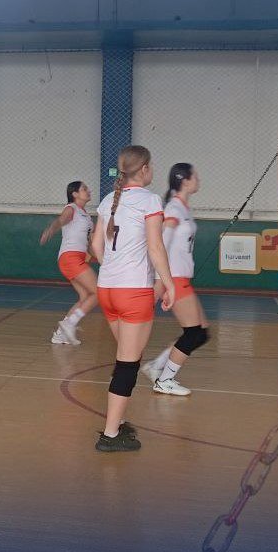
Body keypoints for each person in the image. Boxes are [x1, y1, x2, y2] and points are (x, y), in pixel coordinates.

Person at [91, 145, 174, 452]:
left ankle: (118, 421)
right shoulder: (150, 200)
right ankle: (110, 434)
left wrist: (113, 268)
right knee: (127, 363)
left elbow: (96, 246)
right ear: (145, 169)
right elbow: (155, 247)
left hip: (107, 289)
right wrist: (169, 284)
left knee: (130, 358)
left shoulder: (108, 201)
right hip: (133, 292)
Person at [140, 163, 209, 395]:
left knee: (201, 333)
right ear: (185, 181)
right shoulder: (173, 209)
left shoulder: (182, 208)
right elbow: (162, 242)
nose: (198, 179)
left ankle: (157, 366)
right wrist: (160, 283)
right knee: (193, 333)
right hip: (175, 279)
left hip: (182, 278)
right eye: (195, 176)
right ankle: (165, 380)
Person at [39, 181, 98, 345]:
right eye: (84, 189)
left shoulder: (88, 218)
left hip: (76, 258)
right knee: (99, 292)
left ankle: (60, 334)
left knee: (86, 296)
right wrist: (51, 229)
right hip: (70, 258)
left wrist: (104, 260)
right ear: (75, 194)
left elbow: (90, 246)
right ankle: (69, 324)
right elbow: (61, 220)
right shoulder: (71, 208)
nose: (88, 191)